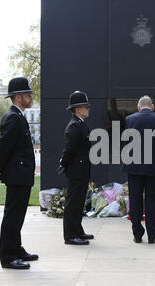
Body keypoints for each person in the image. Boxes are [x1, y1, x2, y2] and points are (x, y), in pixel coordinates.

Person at [0, 77, 38, 270]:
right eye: (28, 94)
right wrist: (0, 170)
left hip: (21, 173)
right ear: (19, 97)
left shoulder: (18, 116)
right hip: (16, 174)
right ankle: (8, 255)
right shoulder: (13, 117)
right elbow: (4, 146)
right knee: (12, 216)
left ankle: (16, 247)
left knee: (18, 215)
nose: (31, 97)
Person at [123, 96, 155, 244]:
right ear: (152, 107)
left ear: (138, 107)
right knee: (152, 200)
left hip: (134, 166)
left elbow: (126, 143)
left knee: (135, 200)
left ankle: (137, 234)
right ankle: (151, 234)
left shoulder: (129, 119)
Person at [59, 91, 94, 245]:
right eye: (86, 107)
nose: (88, 109)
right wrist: (63, 163)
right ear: (78, 109)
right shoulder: (74, 126)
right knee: (73, 203)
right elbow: (70, 149)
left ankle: (77, 230)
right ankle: (70, 235)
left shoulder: (80, 124)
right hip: (76, 171)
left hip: (82, 170)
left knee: (79, 202)